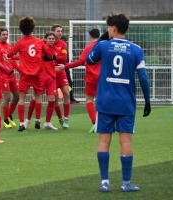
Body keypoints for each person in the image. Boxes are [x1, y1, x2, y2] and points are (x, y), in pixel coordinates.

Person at [86, 13, 151, 192]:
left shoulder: (104, 46)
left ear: (113, 28)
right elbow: (143, 78)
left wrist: (101, 40)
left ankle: (105, 182)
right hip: (126, 103)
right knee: (126, 142)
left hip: (105, 101)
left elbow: (89, 59)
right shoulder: (136, 49)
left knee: (104, 140)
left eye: (108, 27)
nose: (107, 30)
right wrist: (147, 100)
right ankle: (126, 183)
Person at [6, 16, 55, 131]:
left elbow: (9, 54)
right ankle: (37, 120)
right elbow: (49, 54)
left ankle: (22, 123)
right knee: (37, 96)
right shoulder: (39, 42)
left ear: (21, 29)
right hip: (37, 74)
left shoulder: (20, 42)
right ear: (32, 28)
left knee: (22, 98)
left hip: (25, 74)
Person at [56, 28, 101, 133]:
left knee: (89, 100)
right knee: (102, 100)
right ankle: (107, 123)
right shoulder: (104, 47)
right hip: (103, 77)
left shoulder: (89, 47)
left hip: (91, 78)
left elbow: (80, 62)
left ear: (90, 36)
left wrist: (65, 67)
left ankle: (95, 123)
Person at [25, 32, 59, 130]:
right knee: (35, 98)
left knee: (52, 99)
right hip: (41, 76)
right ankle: (28, 120)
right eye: (49, 38)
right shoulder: (40, 47)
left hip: (52, 77)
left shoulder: (56, 49)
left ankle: (47, 123)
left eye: (53, 39)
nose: (52, 40)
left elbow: (62, 58)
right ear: (45, 39)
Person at [0, 27, 19, 128]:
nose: (5, 36)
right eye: (3, 34)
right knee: (7, 97)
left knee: (17, 96)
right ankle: (5, 120)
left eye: (6, 34)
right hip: (3, 74)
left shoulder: (10, 46)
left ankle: (9, 115)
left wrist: (20, 71)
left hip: (12, 74)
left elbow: (13, 61)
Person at [51, 24, 70, 129]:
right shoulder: (47, 42)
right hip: (51, 74)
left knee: (66, 94)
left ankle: (66, 118)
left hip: (61, 72)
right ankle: (60, 118)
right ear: (53, 32)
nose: (60, 33)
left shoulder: (62, 44)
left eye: (61, 31)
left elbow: (64, 58)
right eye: (58, 31)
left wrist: (54, 57)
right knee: (55, 98)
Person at [61, 35, 80, 104]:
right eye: (62, 40)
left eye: (64, 41)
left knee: (69, 83)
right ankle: (62, 97)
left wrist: (69, 64)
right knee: (60, 85)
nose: (63, 42)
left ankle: (71, 98)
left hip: (66, 68)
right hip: (61, 68)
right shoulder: (58, 48)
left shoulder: (65, 48)